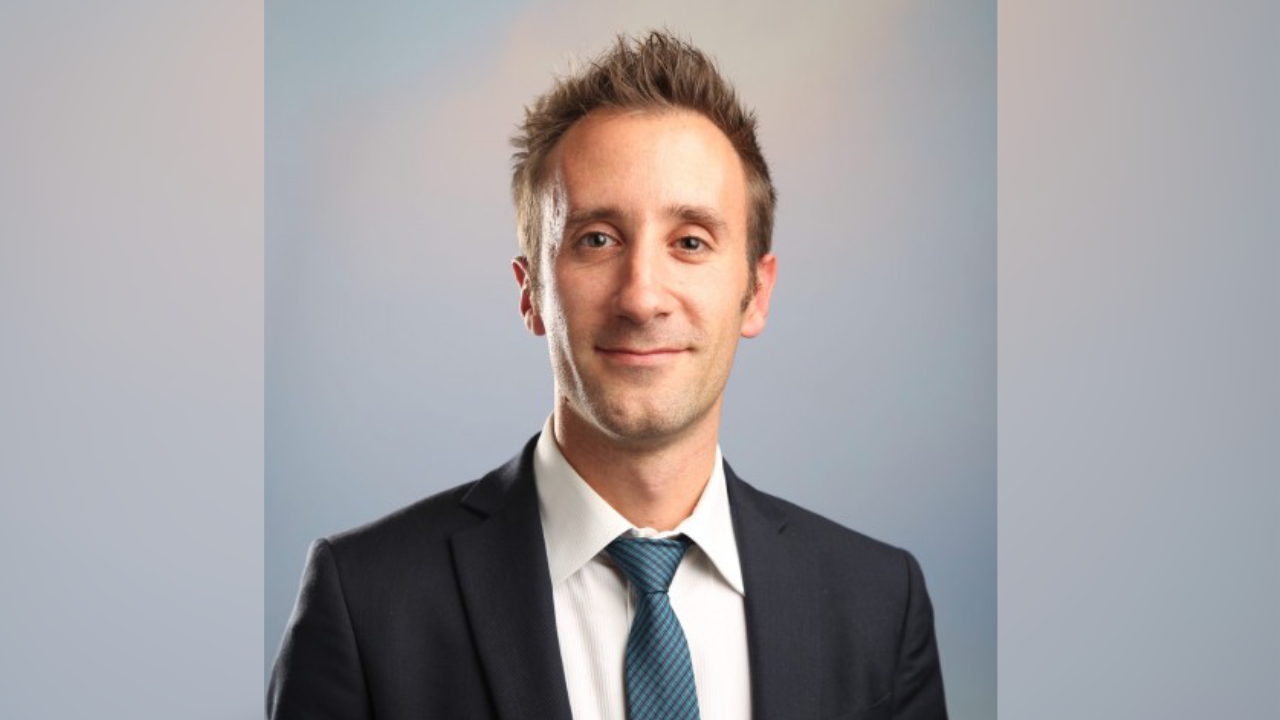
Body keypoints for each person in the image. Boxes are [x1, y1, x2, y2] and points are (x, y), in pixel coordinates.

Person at [268, 30, 948, 720]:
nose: (642, 297)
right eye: (597, 239)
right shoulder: (365, 605)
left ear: (757, 292)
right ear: (530, 291)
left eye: (690, 242)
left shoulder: (879, 608)